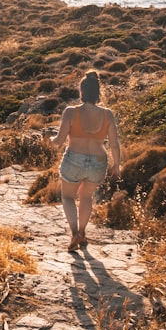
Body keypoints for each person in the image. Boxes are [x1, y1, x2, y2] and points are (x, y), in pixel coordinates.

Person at [48, 70, 122, 252]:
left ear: (82, 91)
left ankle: (74, 233)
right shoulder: (108, 114)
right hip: (99, 161)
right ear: (98, 92)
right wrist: (117, 165)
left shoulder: (71, 112)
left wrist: (50, 140)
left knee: (67, 197)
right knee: (86, 196)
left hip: (74, 159)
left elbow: (59, 141)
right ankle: (82, 232)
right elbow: (114, 144)